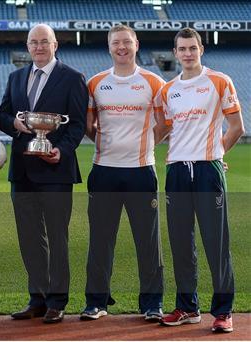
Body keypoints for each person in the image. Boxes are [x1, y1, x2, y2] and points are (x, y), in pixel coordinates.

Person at [0, 24, 88, 323]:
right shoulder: (16, 77)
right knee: (29, 238)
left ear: (55, 45)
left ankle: (57, 300)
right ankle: (37, 297)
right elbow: (2, 115)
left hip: (56, 170)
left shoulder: (73, 78)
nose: (38, 47)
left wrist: (61, 150)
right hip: (22, 171)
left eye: (44, 42)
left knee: (57, 238)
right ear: (28, 45)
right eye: (33, 42)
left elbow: (76, 126)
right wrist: (15, 124)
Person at [154, 27, 244, 333]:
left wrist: (218, 153)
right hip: (177, 171)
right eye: (182, 49)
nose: (188, 53)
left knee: (216, 243)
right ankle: (187, 307)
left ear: (200, 50)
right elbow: (163, 130)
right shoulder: (168, 90)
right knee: (181, 243)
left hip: (207, 170)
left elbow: (236, 127)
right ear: (175, 53)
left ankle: (223, 311)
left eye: (193, 48)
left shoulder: (219, 81)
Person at [81, 25, 165, 322]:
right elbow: (88, 126)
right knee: (101, 240)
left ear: (136, 44)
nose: (122, 47)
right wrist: (108, 143)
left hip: (142, 170)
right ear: (109, 47)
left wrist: (146, 144)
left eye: (126, 42)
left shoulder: (154, 81)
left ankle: (152, 302)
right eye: (116, 43)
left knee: (148, 240)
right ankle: (96, 301)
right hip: (103, 170)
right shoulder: (96, 83)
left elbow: (164, 122)